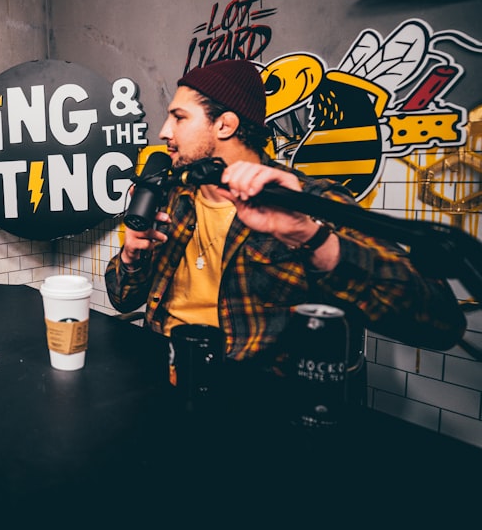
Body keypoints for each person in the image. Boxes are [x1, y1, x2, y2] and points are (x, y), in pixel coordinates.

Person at [106, 59, 466, 376]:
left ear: (225, 125)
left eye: (179, 117)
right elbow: (122, 299)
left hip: (255, 399)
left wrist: (312, 239)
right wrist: (131, 257)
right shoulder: (173, 197)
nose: (164, 132)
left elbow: (439, 323)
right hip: (166, 372)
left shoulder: (307, 202)